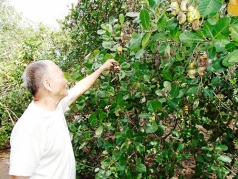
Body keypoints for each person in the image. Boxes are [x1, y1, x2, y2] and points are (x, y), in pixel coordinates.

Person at [9, 59, 120, 179]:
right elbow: (18, 177)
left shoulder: (56, 107)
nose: (66, 80)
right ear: (48, 84)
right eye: (61, 76)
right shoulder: (30, 128)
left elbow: (80, 88)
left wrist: (102, 68)